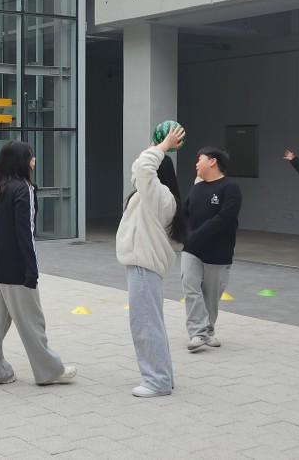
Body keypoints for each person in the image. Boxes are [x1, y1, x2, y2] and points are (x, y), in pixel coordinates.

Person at [0, 141, 77, 388]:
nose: (33, 162)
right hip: (17, 268)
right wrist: (31, 271)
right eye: (31, 157)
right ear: (21, 162)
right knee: (32, 322)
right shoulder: (23, 189)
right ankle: (49, 371)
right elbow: (25, 232)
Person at [117, 127, 187, 397]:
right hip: (142, 265)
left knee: (145, 323)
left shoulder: (162, 197)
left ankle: (157, 380)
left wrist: (163, 146)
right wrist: (154, 148)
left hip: (145, 266)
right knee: (147, 321)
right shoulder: (149, 195)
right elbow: (139, 170)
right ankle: (161, 375)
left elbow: (143, 169)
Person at [181, 147, 242, 352]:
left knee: (211, 296)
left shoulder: (230, 188)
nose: (196, 164)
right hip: (192, 249)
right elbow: (183, 213)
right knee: (191, 289)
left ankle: (207, 331)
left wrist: (196, 234)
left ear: (212, 161)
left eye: (200, 159)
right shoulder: (197, 188)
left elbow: (224, 218)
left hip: (218, 252)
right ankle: (198, 333)